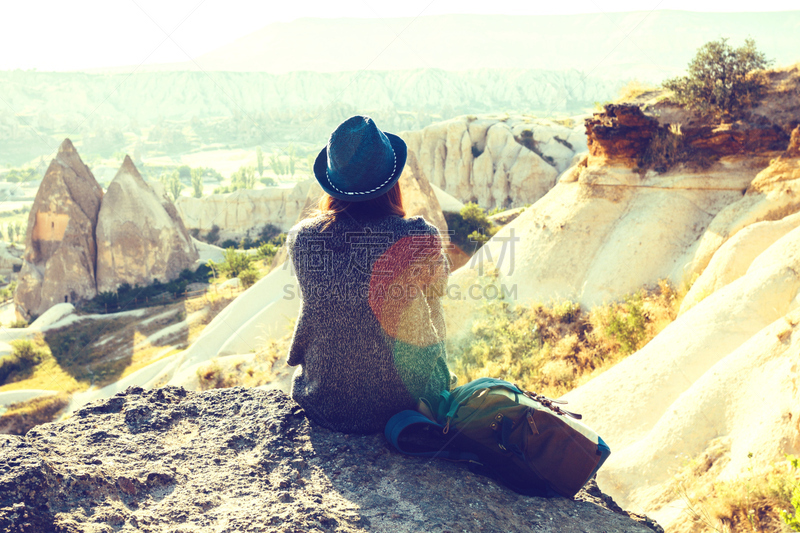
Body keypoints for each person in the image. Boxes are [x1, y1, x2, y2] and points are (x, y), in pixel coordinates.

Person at [285, 115, 454, 434]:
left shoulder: (301, 238)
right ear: (391, 182)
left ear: (333, 183)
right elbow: (439, 289)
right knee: (428, 301)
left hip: (326, 402)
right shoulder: (419, 236)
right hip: (406, 405)